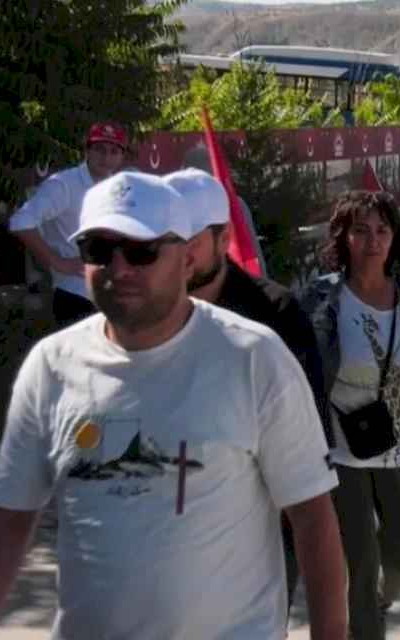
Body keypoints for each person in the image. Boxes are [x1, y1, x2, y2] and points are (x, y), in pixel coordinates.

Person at [0, 172, 348, 638]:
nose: (119, 269)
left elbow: (314, 521)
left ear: (186, 259)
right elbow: (10, 519)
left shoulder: (254, 357)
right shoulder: (52, 365)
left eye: (141, 251)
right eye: (99, 250)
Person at [165, 168, 328, 605]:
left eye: (190, 242)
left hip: (256, 533)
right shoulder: (144, 313)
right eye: (165, 241)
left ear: (223, 238)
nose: (175, 255)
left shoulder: (273, 314)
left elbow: (310, 437)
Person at [301, 191, 400, 640]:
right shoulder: (322, 296)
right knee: (359, 564)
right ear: (341, 237)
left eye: (382, 230)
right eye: (360, 230)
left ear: (394, 237)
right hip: (343, 448)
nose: (372, 241)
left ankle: (374, 604)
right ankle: (364, 619)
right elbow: (300, 364)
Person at [9, 122, 129, 327]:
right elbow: (20, 222)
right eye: (99, 149)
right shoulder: (63, 185)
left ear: (121, 156)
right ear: (87, 150)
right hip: (75, 294)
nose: (106, 157)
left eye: (113, 151)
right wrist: (57, 262)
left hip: (109, 292)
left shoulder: (117, 186)